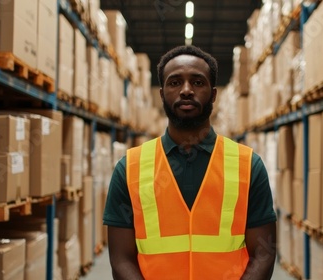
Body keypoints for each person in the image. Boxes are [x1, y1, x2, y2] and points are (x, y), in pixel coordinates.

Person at [103, 45, 277, 280]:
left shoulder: (248, 165)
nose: (186, 90)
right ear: (162, 93)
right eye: (175, 83)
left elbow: (263, 254)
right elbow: (121, 258)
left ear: (213, 94)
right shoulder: (129, 169)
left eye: (197, 82)